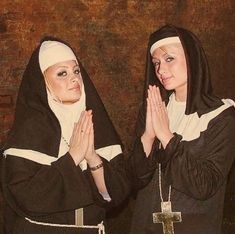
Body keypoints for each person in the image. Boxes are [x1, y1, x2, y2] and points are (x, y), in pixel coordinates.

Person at [2, 37, 129, 234]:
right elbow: (26, 196)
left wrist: (93, 158)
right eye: (62, 73)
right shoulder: (28, 132)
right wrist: (73, 157)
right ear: (43, 83)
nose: (74, 78)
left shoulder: (98, 126)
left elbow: (117, 195)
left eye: (76, 71)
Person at [129, 25, 235, 234]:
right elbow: (135, 179)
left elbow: (204, 186)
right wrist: (149, 136)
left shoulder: (223, 116)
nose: (160, 70)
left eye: (169, 59)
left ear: (191, 58)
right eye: (156, 63)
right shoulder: (153, 108)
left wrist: (167, 137)